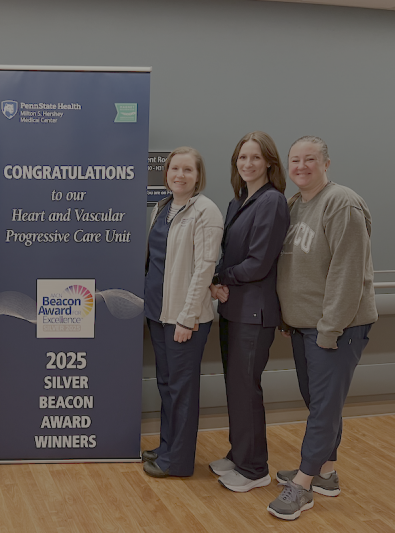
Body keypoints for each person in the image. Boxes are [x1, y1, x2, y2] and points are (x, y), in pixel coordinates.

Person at [267, 136, 377, 520]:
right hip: (303, 326)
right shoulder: (294, 205)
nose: (301, 166)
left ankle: (302, 485)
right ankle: (326, 473)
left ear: (326, 163)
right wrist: (288, 317)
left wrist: (330, 329)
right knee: (319, 403)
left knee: (323, 409)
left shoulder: (341, 203)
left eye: (310, 159)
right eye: (295, 160)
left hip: (336, 328)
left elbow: (347, 273)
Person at [210, 132, 290, 492]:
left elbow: (258, 264)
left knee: (246, 388)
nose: (248, 163)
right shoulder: (238, 201)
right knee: (235, 387)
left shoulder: (272, 201)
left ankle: (254, 469)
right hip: (233, 309)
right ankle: (239, 454)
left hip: (254, 314)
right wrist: (215, 278)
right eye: (242, 157)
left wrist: (220, 277)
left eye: (255, 157)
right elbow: (229, 254)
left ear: (269, 163)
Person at [141, 147, 224, 478]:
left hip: (183, 319)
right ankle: (167, 447)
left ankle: (178, 461)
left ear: (198, 175)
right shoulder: (162, 207)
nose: (180, 175)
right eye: (175, 168)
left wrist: (187, 318)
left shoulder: (206, 211)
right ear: (166, 173)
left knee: (182, 390)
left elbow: (205, 268)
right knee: (166, 385)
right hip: (157, 313)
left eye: (188, 169)